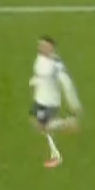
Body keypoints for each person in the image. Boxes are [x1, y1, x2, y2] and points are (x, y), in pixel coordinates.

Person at [30, 36, 81, 168]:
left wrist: (74, 103)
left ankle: (57, 155)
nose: (40, 48)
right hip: (39, 98)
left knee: (43, 125)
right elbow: (39, 74)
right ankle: (65, 125)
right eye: (40, 45)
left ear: (51, 48)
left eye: (44, 45)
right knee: (36, 122)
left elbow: (67, 83)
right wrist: (35, 81)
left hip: (50, 101)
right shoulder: (40, 58)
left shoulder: (56, 64)